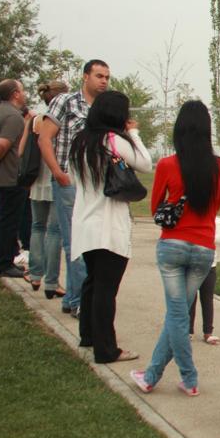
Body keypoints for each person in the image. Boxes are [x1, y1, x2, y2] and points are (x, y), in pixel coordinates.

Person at [130, 100, 220, 396]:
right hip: (203, 248)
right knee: (178, 313)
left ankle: (189, 377)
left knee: (177, 314)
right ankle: (151, 375)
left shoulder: (168, 165)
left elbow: (157, 204)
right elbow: (216, 205)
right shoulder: (219, 167)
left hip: (172, 245)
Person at [69, 90, 152, 364]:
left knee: (92, 282)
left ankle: (88, 335)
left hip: (85, 223)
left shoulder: (80, 142)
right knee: (107, 289)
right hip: (108, 225)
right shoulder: (114, 140)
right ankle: (107, 349)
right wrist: (135, 134)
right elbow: (144, 163)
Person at [40, 59, 111, 317]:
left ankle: (72, 299)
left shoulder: (103, 108)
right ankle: (81, 301)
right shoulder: (66, 102)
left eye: (106, 77)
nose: (103, 81)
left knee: (87, 243)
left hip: (92, 184)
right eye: (99, 76)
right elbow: (44, 138)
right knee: (75, 243)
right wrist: (57, 172)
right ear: (85, 77)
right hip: (69, 181)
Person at [21, 81, 68, 296]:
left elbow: (22, 150)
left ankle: (35, 273)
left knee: (37, 226)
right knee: (54, 230)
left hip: (36, 179)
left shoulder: (35, 120)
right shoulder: (62, 121)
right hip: (55, 176)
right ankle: (51, 281)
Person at [0, 79, 29, 277]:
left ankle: (1, 259)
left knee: (2, 217)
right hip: (11, 176)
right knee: (9, 222)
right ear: (15, 94)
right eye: (22, 90)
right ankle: (4, 264)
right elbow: (3, 145)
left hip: (3, 176)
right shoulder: (13, 116)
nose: (25, 93)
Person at [187, 215, 220, 344]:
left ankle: (208, 332)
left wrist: (203, 235)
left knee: (207, 299)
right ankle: (188, 331)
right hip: (191, 265)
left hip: (209, 266)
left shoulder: (215, 221)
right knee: (190, 299)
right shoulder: (189, 218)